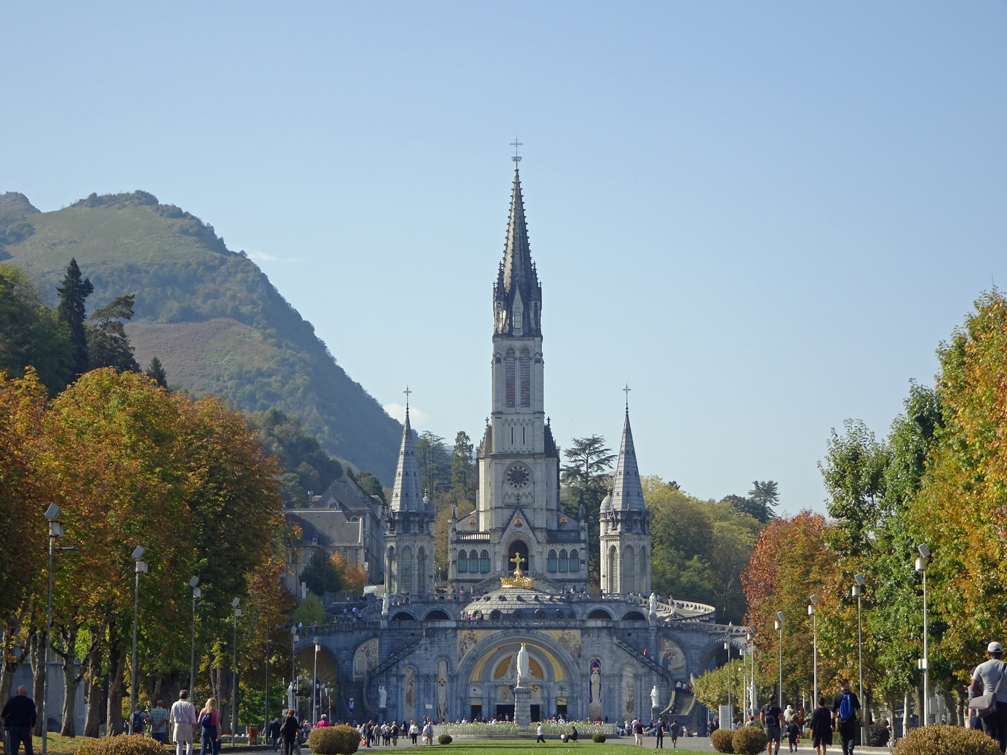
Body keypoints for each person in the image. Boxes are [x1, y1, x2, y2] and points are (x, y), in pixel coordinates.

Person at [972, 640, 1007, 752]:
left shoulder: (981, 667)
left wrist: (982, 693)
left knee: (988, 734)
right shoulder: (1005, 667)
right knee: (1002, 734)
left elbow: (973, 687)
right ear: (1001, 654)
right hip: (1004, 704)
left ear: (988, 653)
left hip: (987, 704)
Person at [1, 685, 37, 755]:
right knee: (28, 747)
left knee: (14, 748)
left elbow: (3, 714)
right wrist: (32, 727)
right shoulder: (29, 702)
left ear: (17, 692)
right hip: (25, 728)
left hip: (13, 727)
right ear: (26, 693)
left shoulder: (11, 701)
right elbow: (33, 715)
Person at [831, 679, 861, 755]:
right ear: (846, 684)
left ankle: (845, 752)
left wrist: (833, 723)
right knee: (851, 736)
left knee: (843, 738)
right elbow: (858, 709)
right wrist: (862, 719)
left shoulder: (837, 696)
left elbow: (833, 711)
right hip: (851, 720)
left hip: (841, 721)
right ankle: (850, 747)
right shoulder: (852, 695)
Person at [170, 690, 198, 755]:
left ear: (179, 696)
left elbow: (171, 717)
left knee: (179, 744)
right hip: (187, 725)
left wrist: (172, 726)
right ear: (187, 696)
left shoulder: (174, 704)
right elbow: (193, 718)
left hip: (178, 724)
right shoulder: (190, 705)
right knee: (189, 742)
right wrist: (194, 728)